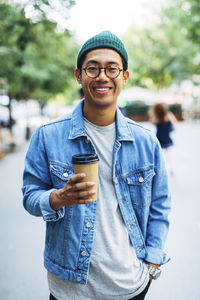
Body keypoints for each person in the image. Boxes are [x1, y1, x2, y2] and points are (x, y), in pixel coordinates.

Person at [22, 31, 171, 300]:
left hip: (130, 286)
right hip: (68, 288)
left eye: (112, 68)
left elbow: (160, 206)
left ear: (124, 76)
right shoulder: (48, 136)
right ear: (79, 75)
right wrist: (57, 198)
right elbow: (30, 196)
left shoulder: (146, 142)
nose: (102, 76)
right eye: (92, 68)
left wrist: (152, 264)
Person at [148, 102, 177, 175]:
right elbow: (174, 123)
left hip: (159, 137)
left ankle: (158, 169)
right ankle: (171, 168)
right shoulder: (168, 115)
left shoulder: (156, 117)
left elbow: (152, 121)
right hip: (166, 137)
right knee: (168, 154)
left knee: (157, 154)